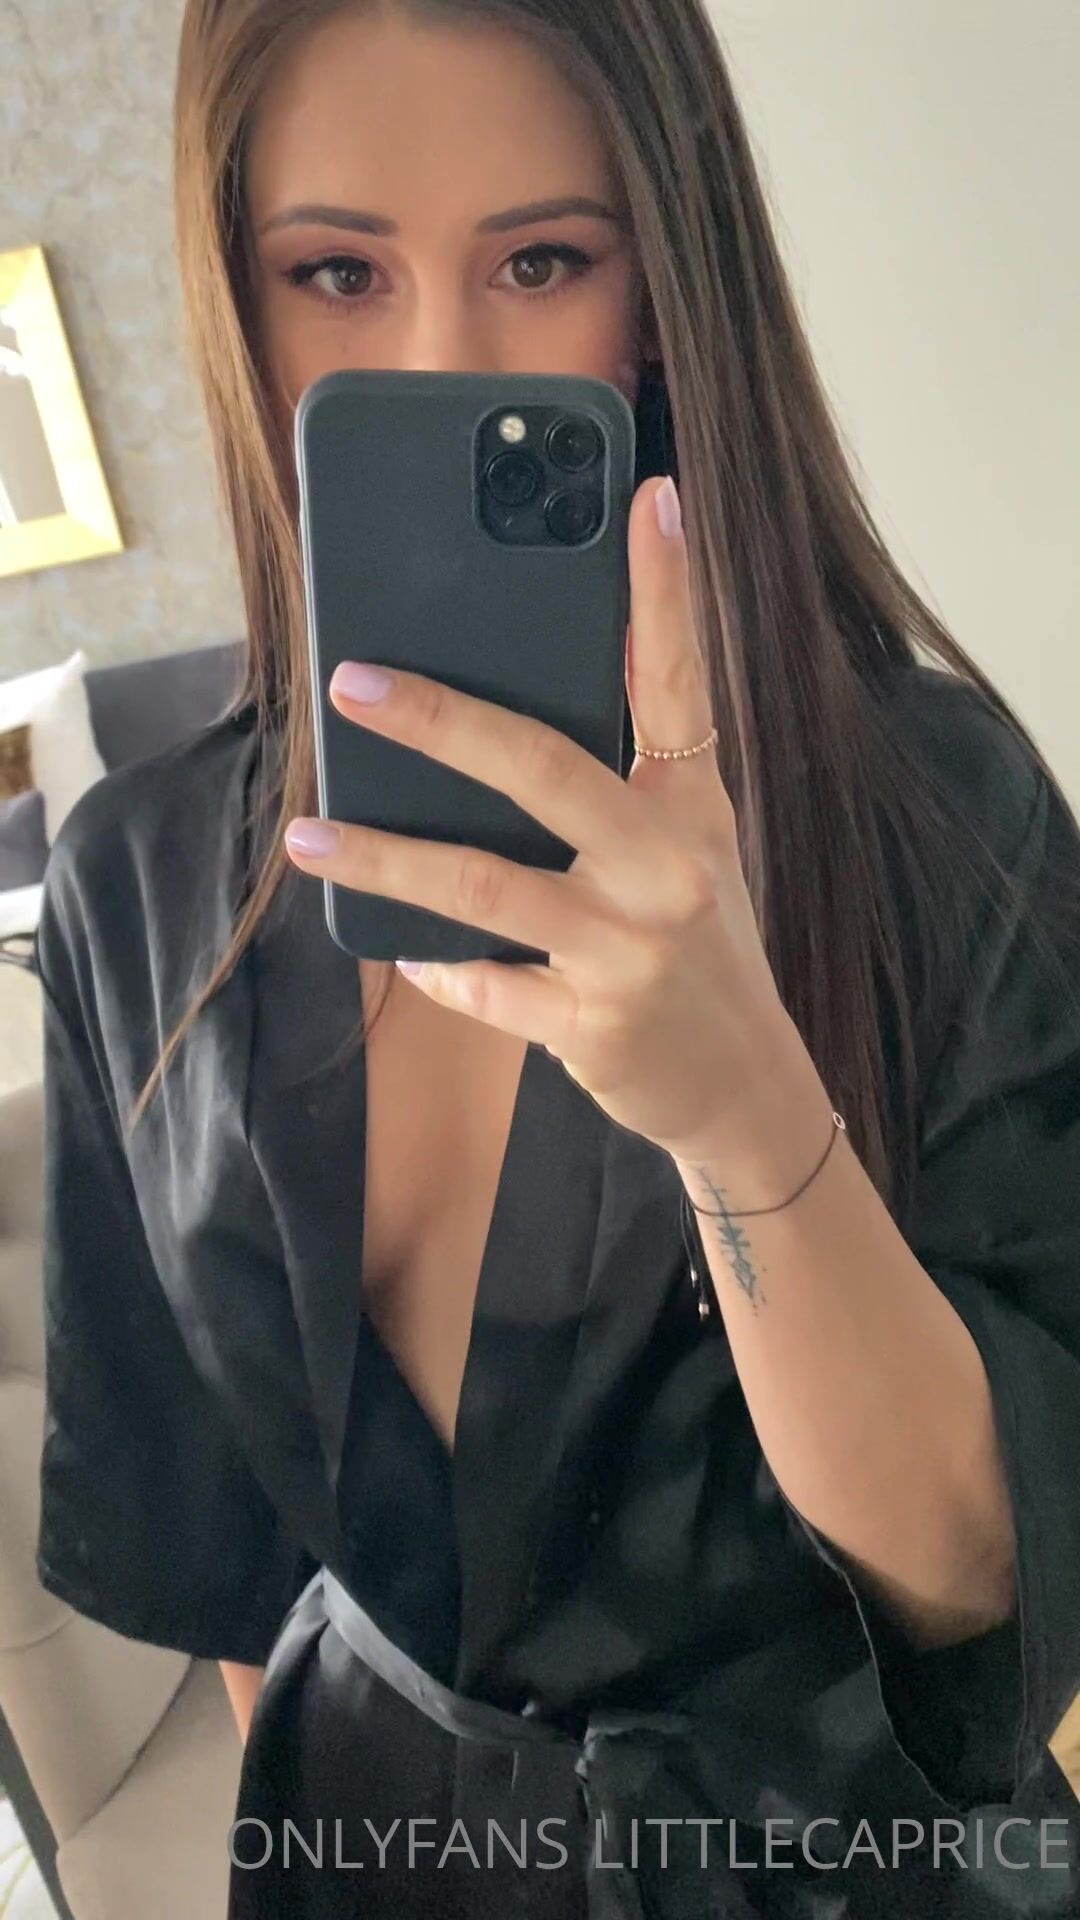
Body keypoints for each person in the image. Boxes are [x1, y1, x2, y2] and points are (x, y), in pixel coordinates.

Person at [33, 2, 1080, 1915]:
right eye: (337, 273)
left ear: (660, 294)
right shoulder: (137, 884)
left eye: (540, 261)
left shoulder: (929, 806)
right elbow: (224, 1563)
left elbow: (985, 1582)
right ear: (237, 300)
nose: (443, 362)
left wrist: (747, 1116)